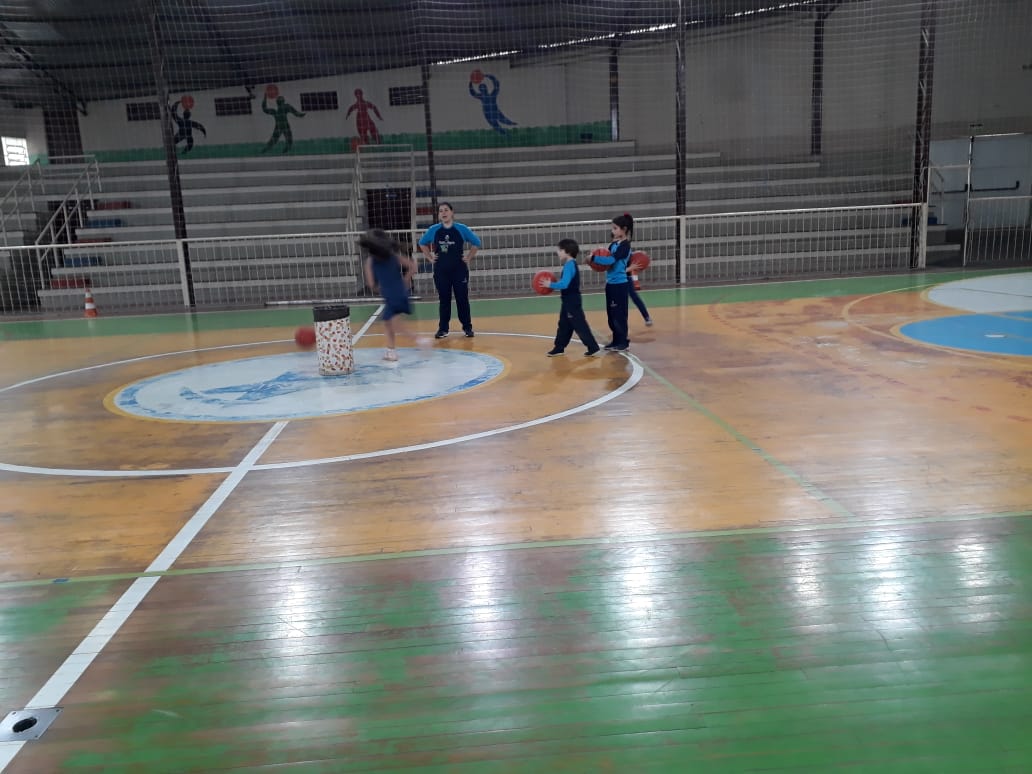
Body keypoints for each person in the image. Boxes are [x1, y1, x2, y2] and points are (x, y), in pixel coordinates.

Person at [418, 202, 481, 338]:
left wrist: (469, 257)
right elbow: (422, 243)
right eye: (441, 211)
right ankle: (443, 329)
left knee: (462, 299)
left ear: (452, 212)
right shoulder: (434, 230)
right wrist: (429, 257)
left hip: (459, 271)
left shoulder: (461, 229)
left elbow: (476, 242)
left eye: (446, 210)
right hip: (441, 271)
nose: (444, 213)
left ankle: (467, 327)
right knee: (444, 299)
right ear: (439, 215)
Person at [361, 229, 418, 361]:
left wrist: (379, 287)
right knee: (388, 322)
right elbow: (413, 265)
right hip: (400, 292)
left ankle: (419, 340)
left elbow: (371, 284)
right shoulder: (394, 256)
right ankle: (391, 351)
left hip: (390, 294)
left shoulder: (370, 261)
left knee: (395, 325)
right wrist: (406, 279)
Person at [542, 238, 601, 358]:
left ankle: (593, 347)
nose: (558, 252)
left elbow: (564, 284)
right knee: (564, 325)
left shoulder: (569, 265)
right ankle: (559, 348)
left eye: (560, 250)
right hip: (567, 301)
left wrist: (550, 285)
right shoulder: (570, 264)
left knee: (579, 325)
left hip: (572, 301)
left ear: (567, 251)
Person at [591, 213, 634, 351]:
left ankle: (623, 342)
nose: (612, 231)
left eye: (615, 228)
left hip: (620, 285)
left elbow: (611, 260)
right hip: (610, 284)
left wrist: (594, 259)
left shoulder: (625, 246)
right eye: (612, 228)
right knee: (611, 315)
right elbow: (607, 264)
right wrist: (596, 262)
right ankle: (616, 340)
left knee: (619, 315)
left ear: (624, 229)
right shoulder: (613, 245)